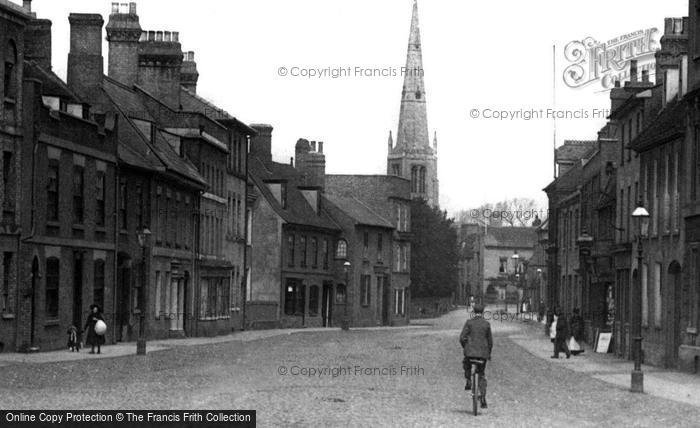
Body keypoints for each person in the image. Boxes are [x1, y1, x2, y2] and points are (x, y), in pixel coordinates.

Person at [459, 303, 493, 409]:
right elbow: (490, 342)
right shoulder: (486, 324)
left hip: (470, 353)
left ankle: (468, 380)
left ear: (473, 312)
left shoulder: (469, 323)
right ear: (483, 312)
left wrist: (466, 347)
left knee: (466, 363)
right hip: (483, 354)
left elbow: (462, 338)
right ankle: (483, 397)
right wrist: (489, 353)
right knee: (481, 373)